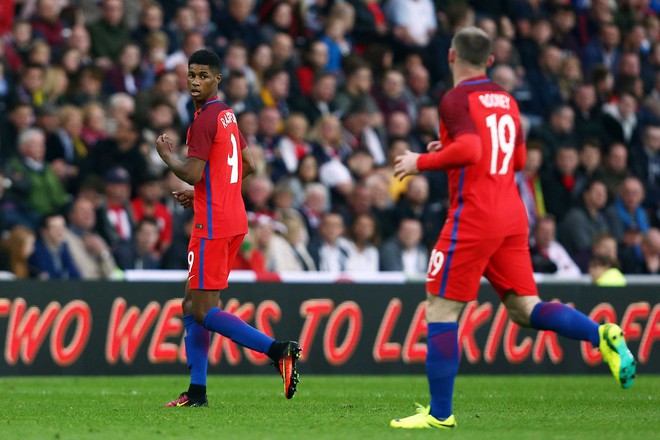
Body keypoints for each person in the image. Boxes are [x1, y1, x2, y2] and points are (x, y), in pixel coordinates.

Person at [389, 27, 636, 430]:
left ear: (451, 56)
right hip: (511, 213)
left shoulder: (455, 98)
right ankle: (601, 333)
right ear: (489, 61)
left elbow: (470, 150)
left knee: (441, 306)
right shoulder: (505, 99)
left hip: (475, 215)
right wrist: (446, 152)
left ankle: (439, 414)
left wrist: (422, 161)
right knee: (524, 308)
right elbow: (517, 159)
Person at [154, 49, 300, 407]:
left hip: (212, 224)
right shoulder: (227, 116)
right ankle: (197, 392)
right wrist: (204, 192)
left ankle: (278, 350)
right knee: (192, 304)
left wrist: (166, 156)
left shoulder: (204, 120)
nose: (195, 81)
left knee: (202, 310)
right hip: (232, 216)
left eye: (203, 75)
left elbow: (190, 170)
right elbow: (247, 164)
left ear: (217, 79)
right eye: (191, 75)